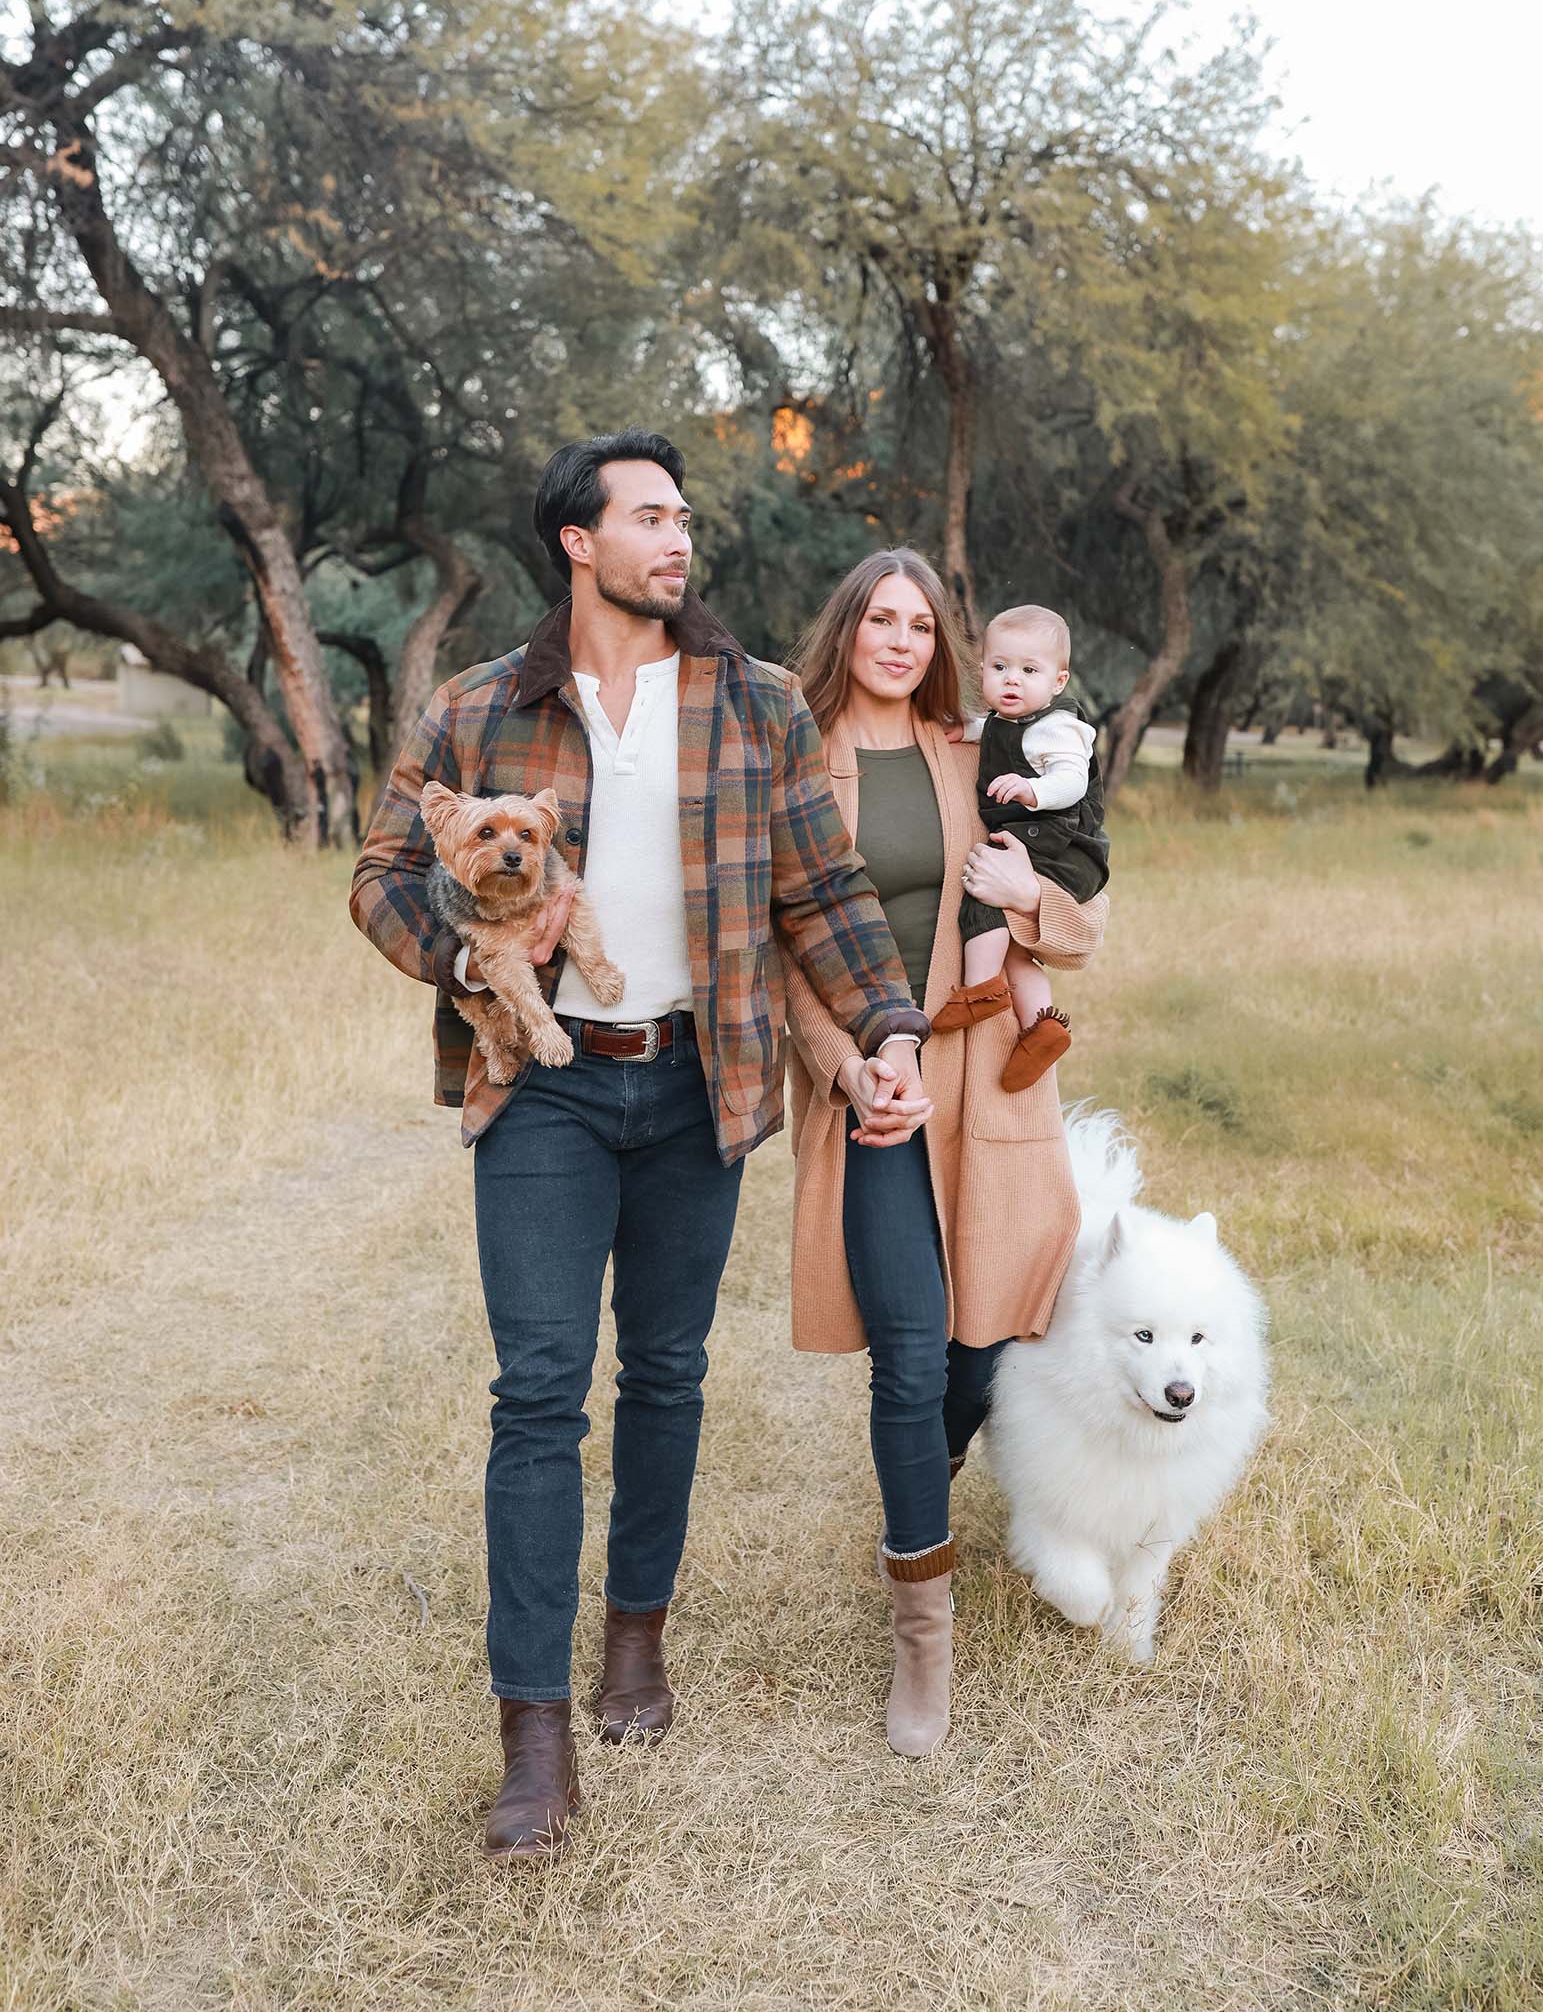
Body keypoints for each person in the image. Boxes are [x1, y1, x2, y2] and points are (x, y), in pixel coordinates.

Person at [349, 432, 930, 1860]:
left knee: (667, 1375)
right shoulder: (483, 705)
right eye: (650, 517)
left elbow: (825, 889)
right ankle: (534, 1737)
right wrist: (476, 948)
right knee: (540, 1394)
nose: (679, 540)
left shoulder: (756, 701)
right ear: (577, 539)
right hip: (540, 1094)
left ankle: (636, 1640)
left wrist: (888, 1028)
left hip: (698, 1089)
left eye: (684, 518)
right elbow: (375, 875)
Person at [782, 549, 1109, 1756]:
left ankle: (927, 1475)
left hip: (989, 1076)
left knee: (985, 1344)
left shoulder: (984, 751)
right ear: (846, 629)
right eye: (880, 617)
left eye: (922, 624)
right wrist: (844, 1063)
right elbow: (781, 948)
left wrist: (1029, 892)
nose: (901, 639)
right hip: (879, 1087)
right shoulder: (796, 761)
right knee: (911, 1353)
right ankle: (924, 1636)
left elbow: (1080, 931)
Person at [929, 603, 1110, 1092]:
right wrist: (961, 729)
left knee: (984, 897)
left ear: (1058, 681)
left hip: (1057, 844)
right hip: (1040, 844)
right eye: (999, 667)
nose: (1012, 680)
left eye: (1029, 671)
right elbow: (993, 732)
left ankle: (979, 990)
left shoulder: (1057, 727)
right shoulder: (1010, 721)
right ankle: (1040, 1026)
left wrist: (1034, 791)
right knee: (1016, 952)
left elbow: (1071, 780)